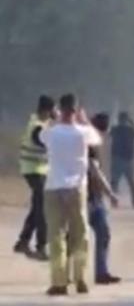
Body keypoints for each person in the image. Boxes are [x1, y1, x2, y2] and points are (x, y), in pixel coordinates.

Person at [40, 93, 101, 297]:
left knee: (56, 236)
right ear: (76, 110)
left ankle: (59, 282)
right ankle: (80, 278)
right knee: (80, 235)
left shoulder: (52, 132)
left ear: (61, 109)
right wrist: (85, 120)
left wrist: (55, 119)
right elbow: (97, 139)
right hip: (76, 188)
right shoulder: (84, 132)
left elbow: (41, 137)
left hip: (54, 187)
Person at [14, 95, 56, 260]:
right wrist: (59, 124)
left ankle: (23, 241)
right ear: (47, 110)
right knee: (42, 208)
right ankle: (41, 246)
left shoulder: (40, 123)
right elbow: (44, 141)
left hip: (38, 169)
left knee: (38, 206)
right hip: (33, 170)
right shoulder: (37, 127)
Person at [88, 113, 121, 285]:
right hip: (89, 197)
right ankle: (99, 273)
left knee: (102, 234)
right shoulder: (90, 145)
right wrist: (110, 193)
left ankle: (100, 273)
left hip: (90, 196)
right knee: (101, 233)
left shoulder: (86, 141)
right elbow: (95, 172)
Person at [110, 111, 134, 208]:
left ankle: (114, 201)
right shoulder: (130, 130)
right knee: (131, 183)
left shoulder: (115, 129)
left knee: (115, 182)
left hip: (118, 159)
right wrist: (133, 123)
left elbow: (109, 134)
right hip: (127, 160)